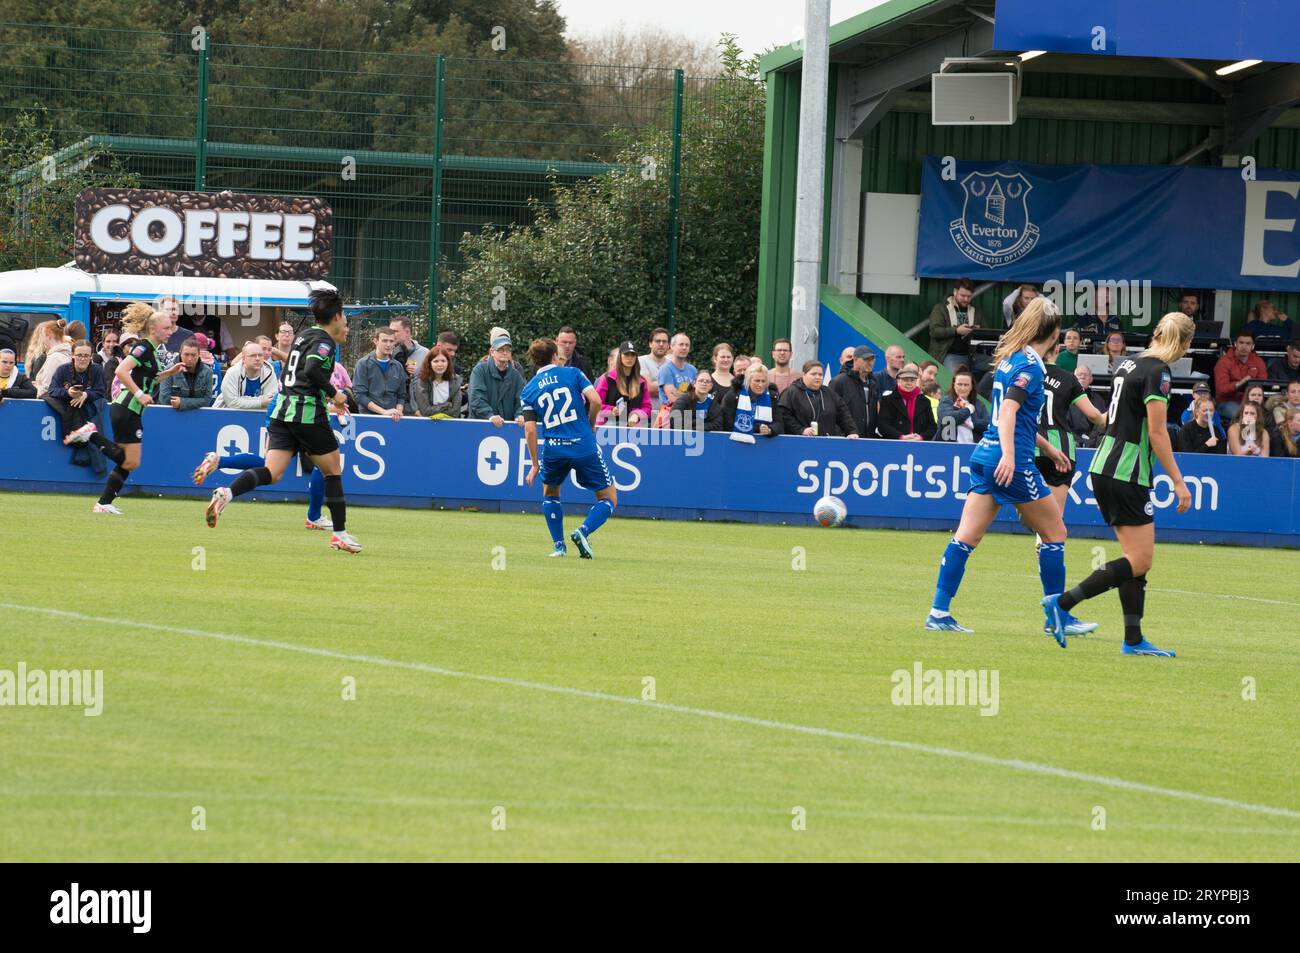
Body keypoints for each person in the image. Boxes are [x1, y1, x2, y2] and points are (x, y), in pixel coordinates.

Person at [925, 298, 1080, 642]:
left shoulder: (1011, 357)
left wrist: (1048, 447)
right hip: (1009, 460)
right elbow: (1008, 412)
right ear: (1055, 334)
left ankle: (938, 612)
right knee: (1055, 534)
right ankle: (1058, 615)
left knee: (966, 537)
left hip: (983, 455)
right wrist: (1011, 457)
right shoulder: (1032, 366)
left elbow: (1013, 416)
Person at [1046, 312, 1198, 657]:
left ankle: (1133, 640)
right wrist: (1178, 480)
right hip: (1126, 471)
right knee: (1141, 559)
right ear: (1185, 344)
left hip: (1105, 464)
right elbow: (1158, 433)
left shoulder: (1130, 363)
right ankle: (1062, 603)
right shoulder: (1158, 372)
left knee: (1135, 558)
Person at [204, 289, 361, 553]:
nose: (346, 324)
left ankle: (226, 494)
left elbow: (298, 369)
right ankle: (340, 534)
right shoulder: (324, 343)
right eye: (345, 317)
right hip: (307, 414)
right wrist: (337, 395)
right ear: (335, 317)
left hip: (282, 412)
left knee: (272, 473)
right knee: (333, 470)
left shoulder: (303, 337)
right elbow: (311, 369)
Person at [70, 310, 185, 515]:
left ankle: (104, 503)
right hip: (127, 407)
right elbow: (120, 370)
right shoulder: (142, 347)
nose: (170, 331)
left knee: (126, 461)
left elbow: (149, 379)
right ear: (152, 328)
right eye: (166, 328)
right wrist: (140, 393)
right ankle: (91, 435)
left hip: (130, 409)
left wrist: (169, 373)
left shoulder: (152, 349)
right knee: (131, 461)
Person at [520, 337, 616, 559]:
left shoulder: (529, 389)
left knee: (550, 493)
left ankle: (559, 547)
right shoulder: (572, 373)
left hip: (554, 449)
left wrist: (534, 465)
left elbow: (530, 430)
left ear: (534, 361)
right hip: (582, 444)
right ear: (555, 355)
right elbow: (596, 401)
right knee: (608, 498)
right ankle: (583, 531)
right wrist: (590, 426)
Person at [1037, 342, 1106, 523]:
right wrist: (1112, 413)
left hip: (1029, 446)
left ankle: (1033, 522)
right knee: (1055, 517)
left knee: (1029, 506)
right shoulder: (1068, 379)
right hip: (1061, 449)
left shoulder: (1027, 373)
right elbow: (1094, 416)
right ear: (1058, 351)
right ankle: (1045, 535)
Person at [777, 361, 859, 438]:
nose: (817, 377)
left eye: (820, 375)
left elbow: (844, 414)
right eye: (813, 374)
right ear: (804, 374)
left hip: (825, 443)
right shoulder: (791, 392)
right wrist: (801, 430)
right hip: (800, 442)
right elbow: (783, 415)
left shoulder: (829, 393)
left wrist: (852, 432)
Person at [47, 341, 106, 442]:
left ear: (91, 356)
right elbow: (52, 390)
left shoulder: (97, 369)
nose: (83, 359)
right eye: (79, 355)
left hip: (90, 417)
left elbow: (101, 391)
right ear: (73, 355)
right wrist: (68, 393)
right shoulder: (62, 369)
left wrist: (86, 394)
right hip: (68, 416)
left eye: (86, 356)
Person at [468, 328, 525, 427]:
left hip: (507, 428)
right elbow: (476, 397)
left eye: (508, 350)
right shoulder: (479, 370)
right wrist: (490, 416)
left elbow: (523, 398)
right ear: (492, 352)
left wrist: (520, 415)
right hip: (481, 426)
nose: (505, 353)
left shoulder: (516, 375)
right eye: (501, 349)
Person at [352, 328, 407, 419]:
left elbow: (401, 395)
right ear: (375, 341)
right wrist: (383, 412)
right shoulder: (363, 364)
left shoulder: (398, 366)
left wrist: (398, 411)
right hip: (369, 417)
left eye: (391, 341)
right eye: (384, 341)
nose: (388, 345)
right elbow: (360, 395)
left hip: (393, 418)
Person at [928, 277, 979, 373]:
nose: (966, 299)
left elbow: (985, 330)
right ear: (955, 292)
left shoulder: (975, 310)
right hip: (949, 354)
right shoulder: (941, 308)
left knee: (996, 367)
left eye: (969, 296)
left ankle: (977, 388)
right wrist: (956, 331)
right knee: (956, 377)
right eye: (963, 296)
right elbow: (934, 331)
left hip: (973, 355)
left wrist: (977, 330)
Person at [1214, 330, 1268, 420]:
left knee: (1267, 416)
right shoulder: (1224, 362)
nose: (1244, 346)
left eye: (1248, 343)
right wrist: (1238, 384)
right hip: (1228, 402)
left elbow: (1263, 383)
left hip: (1253, 402)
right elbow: (1221, 389)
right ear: (1235, 344)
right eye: (1241, 343)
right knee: (1244, 415)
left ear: (1253, 346)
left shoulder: (1258, 361)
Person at [596, 341, 651, 427]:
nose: (629, 358)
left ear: (636, 358)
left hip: (635, 427)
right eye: (626, 354)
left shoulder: (642, 381)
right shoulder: (607, 378)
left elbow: (647, 407)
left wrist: (637, 415)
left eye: (633, 355)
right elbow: (596, 404)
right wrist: (611, 410)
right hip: (609, 426)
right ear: (620, 356)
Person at [829, 345, 879, 439]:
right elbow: (831, 413)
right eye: (866, 359)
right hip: (847, 440)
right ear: (855, 360)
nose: (870, 363)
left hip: (869, 439)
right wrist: (842, 436)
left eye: (872, 359)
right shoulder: (839, 381)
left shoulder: (873, 382)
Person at [877, 363, 936, 441]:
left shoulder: (924, 401)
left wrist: (922, 437)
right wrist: (901, 437)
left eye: (912, 380)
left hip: (919, 445)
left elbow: (932, 426)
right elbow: (883, 425)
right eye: (905, 380)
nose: (909, 383)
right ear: (898, 380)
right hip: (895, 445)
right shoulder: (888, 400)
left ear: (916, 381)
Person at [214, 341, 280, 410]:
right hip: (226, 414)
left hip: (257, 415)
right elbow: (232, 403)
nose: (257, 358)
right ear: (243, 358)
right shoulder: (232, 372)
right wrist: (260, 402)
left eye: (260, 355)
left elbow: (270, 401)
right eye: (253, 355)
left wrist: (241, 399)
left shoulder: (269, 372)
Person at [720, 361, 778, 438]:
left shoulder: (772, 397)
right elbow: (728, 424)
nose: (760, 384)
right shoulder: (733, 396)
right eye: (757, 381)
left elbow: (779, 423)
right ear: (748, 380)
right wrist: (758, 428)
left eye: (763, 381)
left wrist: (770, 429)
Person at [158, 337, 215, 411]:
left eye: (193, 355)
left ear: (198, 355)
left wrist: (182, 403)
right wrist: (195, 403)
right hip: (172, 413)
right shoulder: (169, 369)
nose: (190, 359)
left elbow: (207, 400)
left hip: (198, 415)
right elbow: (164, 399)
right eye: (186, 354)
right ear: (180, 353)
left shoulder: (207, 372)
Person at [935, 368, 989, 444]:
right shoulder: (946, 401)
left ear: (971, 387)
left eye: (966, 385)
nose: (962, 388)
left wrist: (971, 423)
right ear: (954, 385)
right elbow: (948, 419)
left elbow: (988, 425)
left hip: (973, 449)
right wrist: (968, 410)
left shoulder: (979, 404)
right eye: (959, 384)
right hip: (949, 449)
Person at [413, 344, 462, 418]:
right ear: (429, 363)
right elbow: (425, 411)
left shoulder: (455, 380)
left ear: (448, 362)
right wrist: (447, 405)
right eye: (436, 361)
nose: (440, 364)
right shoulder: (422, 381)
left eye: (443, 361)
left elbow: (455, 412)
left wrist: (435, 409)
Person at [30, 319, 71, 397]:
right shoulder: (64, 355)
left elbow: (47, 389)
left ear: (49, 336)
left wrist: (37, 388)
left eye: (42, 336)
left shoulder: (55, 358)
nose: (42, 339)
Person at [657, 333, 697, 405]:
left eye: (687, 345)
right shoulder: (666, 369)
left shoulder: (693, 370)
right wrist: (690, 395)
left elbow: (697, 395)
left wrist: (679, 394)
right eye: (681, 344)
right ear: (672, 346)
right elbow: (673, 399)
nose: (684, 348)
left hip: (689, 412)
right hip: (671, 413)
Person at [639, 327, 670, 409]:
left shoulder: (672, 364)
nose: (661, 344)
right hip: (646, 415)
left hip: (668, 415)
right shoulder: (640, 361)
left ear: (668, 345)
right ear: (650, 344)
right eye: (657, 341)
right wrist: (670, 386)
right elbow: (649, 388)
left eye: (664, 341)